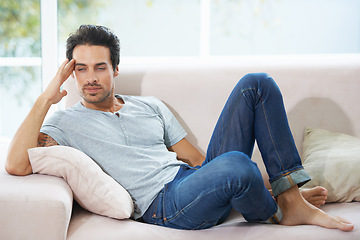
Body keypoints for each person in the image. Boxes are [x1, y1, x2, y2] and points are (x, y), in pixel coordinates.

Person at [6, 25, 354, 231]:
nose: (91, 78)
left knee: (257, 83)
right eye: (81, 69)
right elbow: (16, 164)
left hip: (188, 182)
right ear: (72, 72)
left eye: (99, 67)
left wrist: (263, 184)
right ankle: (281, 209)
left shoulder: (150, 106)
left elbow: (200, 162)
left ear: (115, 69)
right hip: (163, 206)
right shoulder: (64, 123)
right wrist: (47, 97)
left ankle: (288, 197)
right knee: (238, 165)